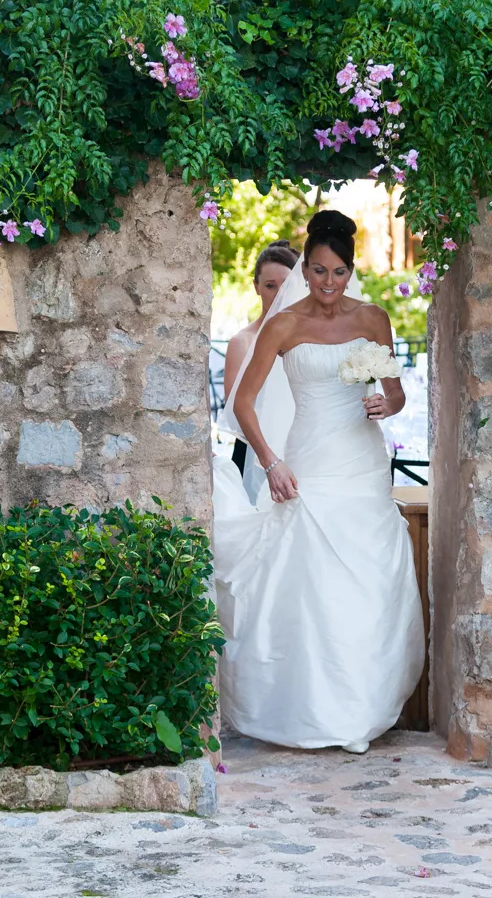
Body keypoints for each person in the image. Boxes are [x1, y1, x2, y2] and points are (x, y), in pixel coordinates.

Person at [213, 210, 424, 754]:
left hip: (361, 462)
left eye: (339, 273)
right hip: (308, 461)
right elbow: (243, 401)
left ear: (351, 272)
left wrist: (386, 402)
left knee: (365, 586)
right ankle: (309, 710)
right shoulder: (283, 327)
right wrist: (271, 462)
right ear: (304, 270)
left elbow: (396, 392)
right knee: (312, 586)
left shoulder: (374, 319)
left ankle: (359, 711)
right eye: (319, 272)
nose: (329, 284)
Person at [222, 240, 299, 483]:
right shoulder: (242, 342)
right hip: (256, 453)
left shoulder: (313, 340)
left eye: (286, 285)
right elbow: (235, 411)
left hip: (303, 446)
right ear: (256, 287)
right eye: (270, 286)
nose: (279, 294)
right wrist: (269, 457)